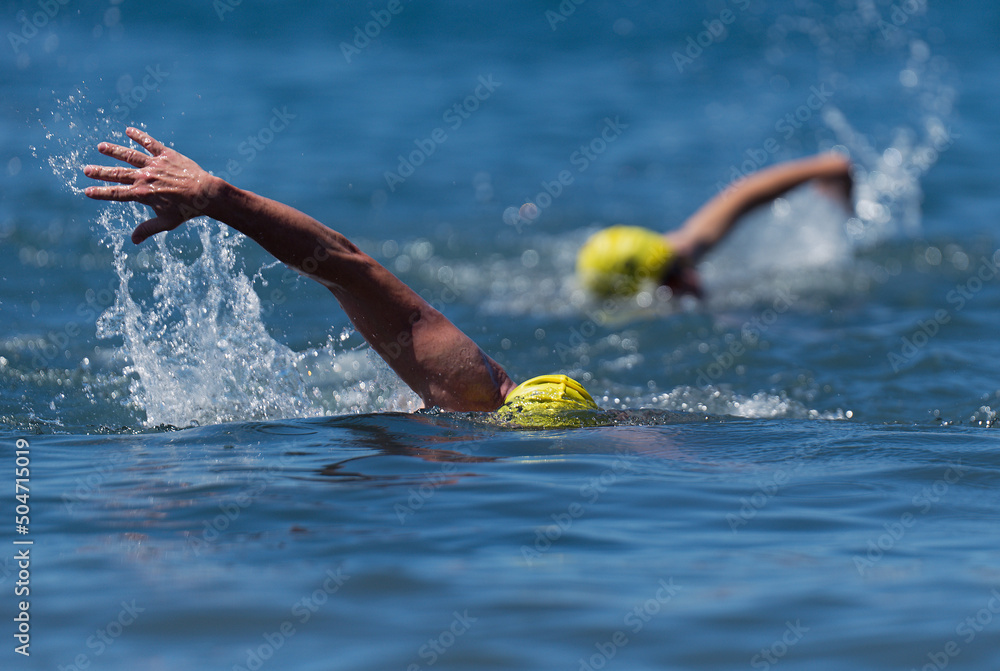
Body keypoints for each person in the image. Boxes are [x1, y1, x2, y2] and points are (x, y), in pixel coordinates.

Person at [83, 127, 598, 426]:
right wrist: (219, 198)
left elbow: (348, 269)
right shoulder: (471, 393)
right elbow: (346, 266)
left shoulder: (479, 393)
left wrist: (218, 199)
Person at [575, 153, 853, 299]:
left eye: (676, 263)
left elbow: (745, 193)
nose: (687, 278)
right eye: (668, 278)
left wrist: (824, 168)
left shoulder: (685, 248)